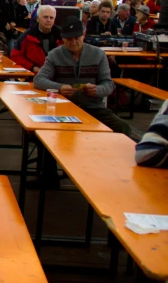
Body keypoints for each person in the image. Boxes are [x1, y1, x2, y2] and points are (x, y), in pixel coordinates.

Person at [34, 16, 131, 184]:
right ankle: (49, 176)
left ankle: (115, 173)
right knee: (42, 131)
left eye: (77, 37)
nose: (73, 42)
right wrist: (60, 87)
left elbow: (108, 84)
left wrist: (97, 90)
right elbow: (39, 79)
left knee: (122, 127)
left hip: (93, 107)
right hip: (63, 109)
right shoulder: (54, 55)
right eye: (69, 38)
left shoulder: (98, 54)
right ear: (62, 38)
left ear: (84, 35)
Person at [11, 5, 62, 74]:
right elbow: (15, 56)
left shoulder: (62, 36)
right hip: (34, 76)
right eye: (45, 17)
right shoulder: (28, 35)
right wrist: (32, 67)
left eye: (51, 18)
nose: (48, 20)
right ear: (38, 18)